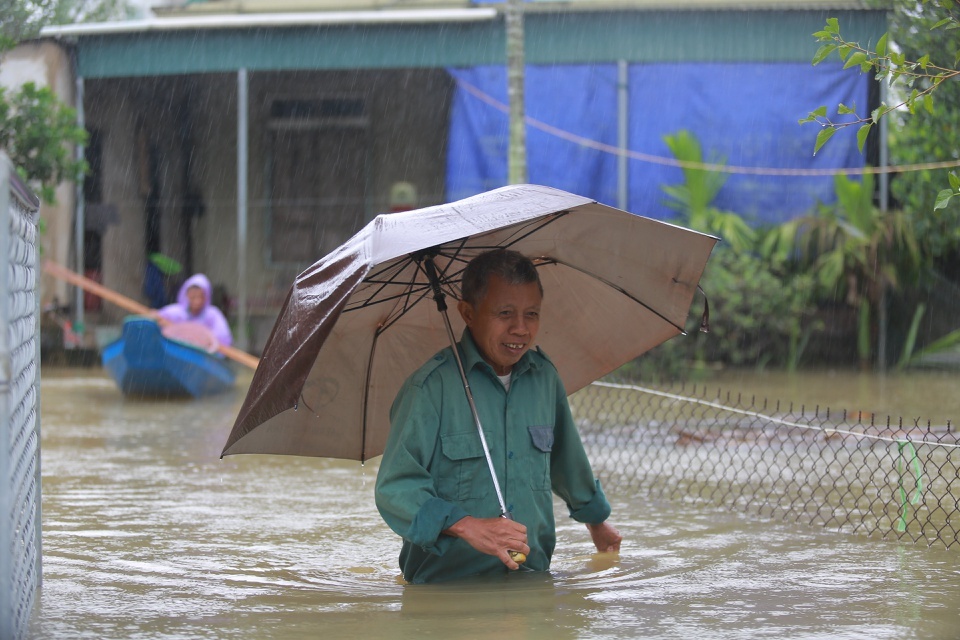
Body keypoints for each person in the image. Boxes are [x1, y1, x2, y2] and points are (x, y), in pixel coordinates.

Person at [375, 249, 621, 584]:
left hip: (532, 582)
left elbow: (565, 459)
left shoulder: (544, 379)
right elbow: (395, 489)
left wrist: (597, 521)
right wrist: (467, 526)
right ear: (468, 313)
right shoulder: (430, 389)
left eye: (531, 314)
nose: (520, 328)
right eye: (505, 313)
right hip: (446, 591)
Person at [155, 273, 233, 347]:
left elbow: (224, 337)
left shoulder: (212, 314)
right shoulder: (176, 311)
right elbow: (155, 318)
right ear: (186, 295)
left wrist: (204, 339)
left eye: (200, 297)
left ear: (206, 296)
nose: (197, 301)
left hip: (202, 357)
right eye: (193, 297)